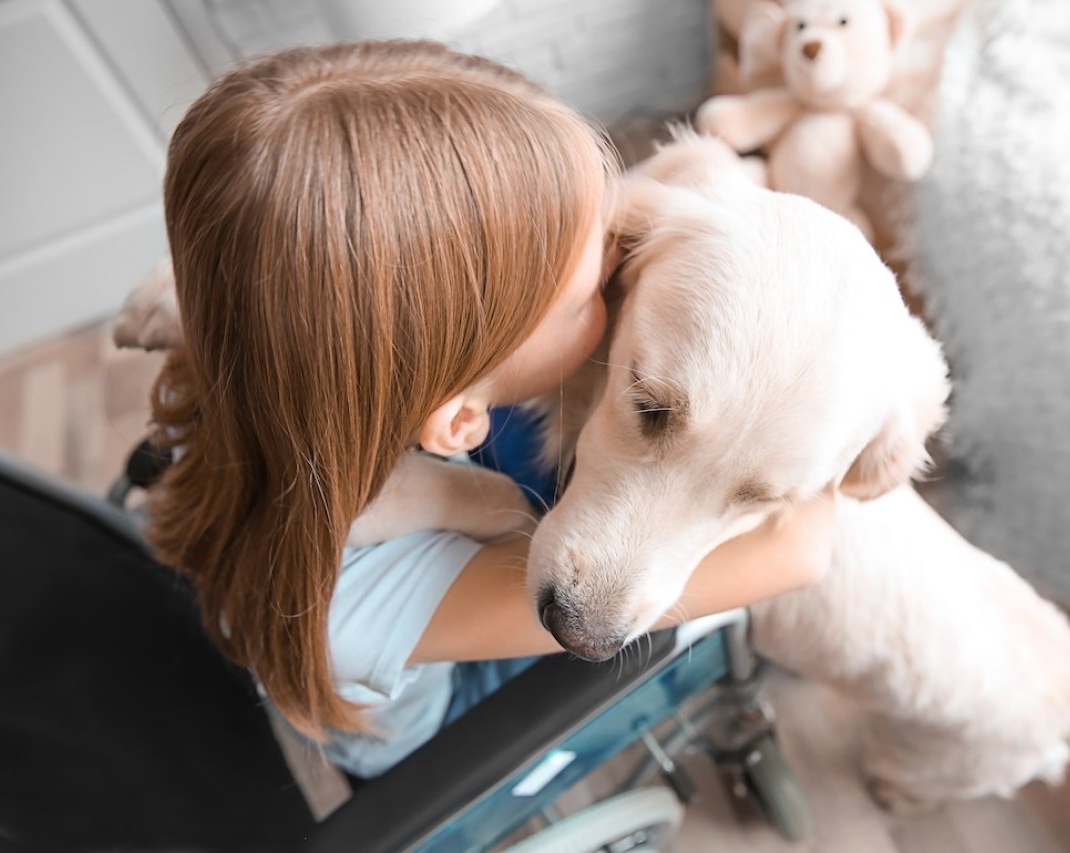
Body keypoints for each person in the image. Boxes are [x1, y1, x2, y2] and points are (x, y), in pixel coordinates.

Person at [145, 40, 835, 779]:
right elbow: (801, 550)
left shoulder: (272, 330)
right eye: (584, 297)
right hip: (446, 721)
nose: (621, 263)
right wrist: (478, 498)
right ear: (457, 422)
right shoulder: (345, 602)